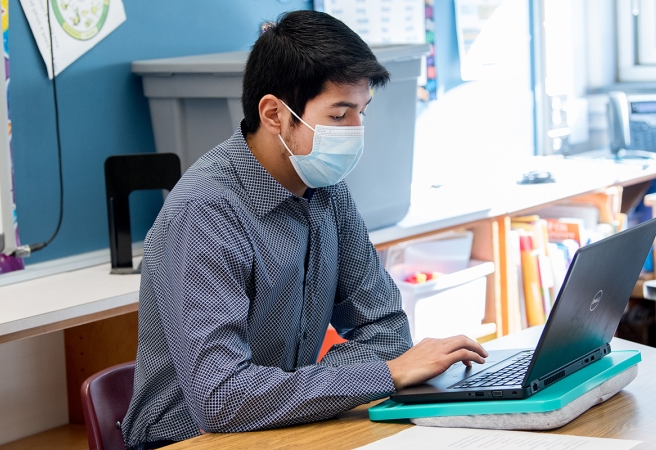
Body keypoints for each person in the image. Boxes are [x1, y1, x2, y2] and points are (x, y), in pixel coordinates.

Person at [121, 10, 487, 449]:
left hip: (287, 428)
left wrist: (317, 388)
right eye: (339, 115)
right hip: (189, 441)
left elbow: (385, 327)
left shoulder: (326, 188)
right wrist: (383, 374)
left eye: (362, 112)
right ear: (275, 113)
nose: (356, 132)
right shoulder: (204, 212)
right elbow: (222, 399)